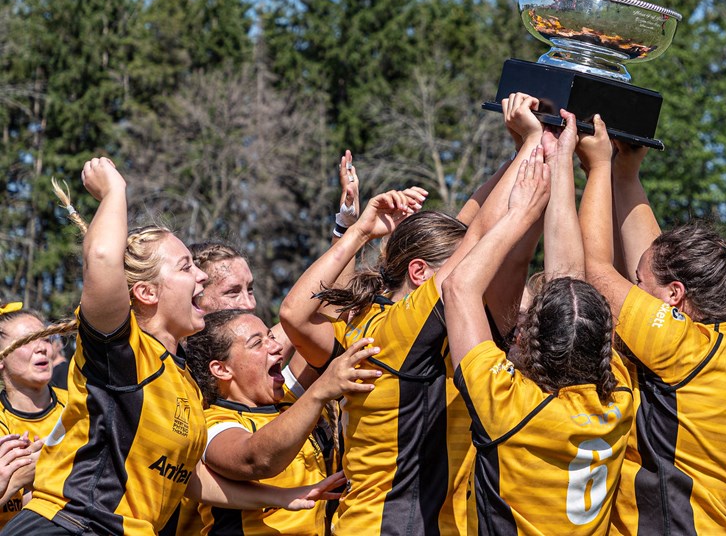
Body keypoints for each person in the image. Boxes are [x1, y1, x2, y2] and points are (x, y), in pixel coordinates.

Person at [1, 157, 344, 536]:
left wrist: (283, 496)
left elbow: (187, 478)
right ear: (146, 292)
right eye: (185, 267)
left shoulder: (183, 379)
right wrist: (114, 191)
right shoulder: (124, 351)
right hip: (71, 526)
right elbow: (101, 257)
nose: (199, 274)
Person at [280, 96, 546, 535]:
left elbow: (470, 220)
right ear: (420, 273)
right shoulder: (398, 330)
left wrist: (519, 152)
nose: (479, 274)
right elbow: (476, 237)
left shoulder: (374, 321)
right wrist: (533, 143)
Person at [577, 117, 726, 534]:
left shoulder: (681, 345)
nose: (631, 290)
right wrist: (626, 175)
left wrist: (598, 169)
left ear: (675, 295)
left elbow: (593, 270)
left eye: (637, 284)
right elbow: (656, 260)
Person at [444, 120, 634, 535]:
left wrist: (523, 213)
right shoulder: (617, 400)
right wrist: (561, 158)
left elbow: (457, 287)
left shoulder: (509, 406)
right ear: (606, 341)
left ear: (529, 338)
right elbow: (569, 278)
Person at [183, 308, 379, 535]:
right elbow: (255, 459)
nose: (276, 347)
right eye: (257, 343)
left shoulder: (289, 400)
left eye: (272, 337)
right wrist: (318, 391)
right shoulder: (212, 422)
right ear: (221, 369)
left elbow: (322, 305)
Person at [0, 307, 65, 528]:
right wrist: (17, 480)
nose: (42, 348)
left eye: (46, 339)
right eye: (28, 341)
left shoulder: (78, 406)